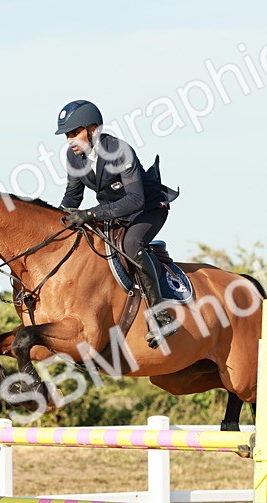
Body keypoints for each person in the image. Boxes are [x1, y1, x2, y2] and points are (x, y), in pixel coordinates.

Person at [54, 99, 180, 342]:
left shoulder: (119, 151)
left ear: (92, 130)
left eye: (74, 133)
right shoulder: (73, 158)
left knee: (132, 245)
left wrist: (90, 215)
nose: (70, 140)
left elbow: (135, 200)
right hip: (113, 213)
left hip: (148, 209)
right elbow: (73, 196)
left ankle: (161, 316)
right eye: (67, 135)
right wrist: (57, 222)